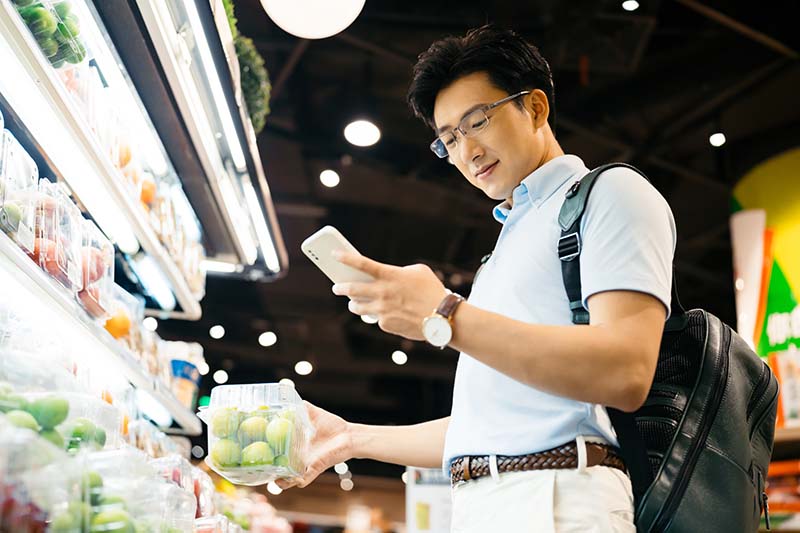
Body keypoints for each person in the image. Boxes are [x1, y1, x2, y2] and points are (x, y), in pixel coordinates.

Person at [278, 25, 676, 533]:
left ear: (534, 107)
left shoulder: (610, 193)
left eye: (477, 122)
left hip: (557, 496)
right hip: (485, 501)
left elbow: (626, 372)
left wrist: (446, 313)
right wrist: (351, 438)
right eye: (449, 139)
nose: (466, 152)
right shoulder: (503, 250)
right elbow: (486, 427)